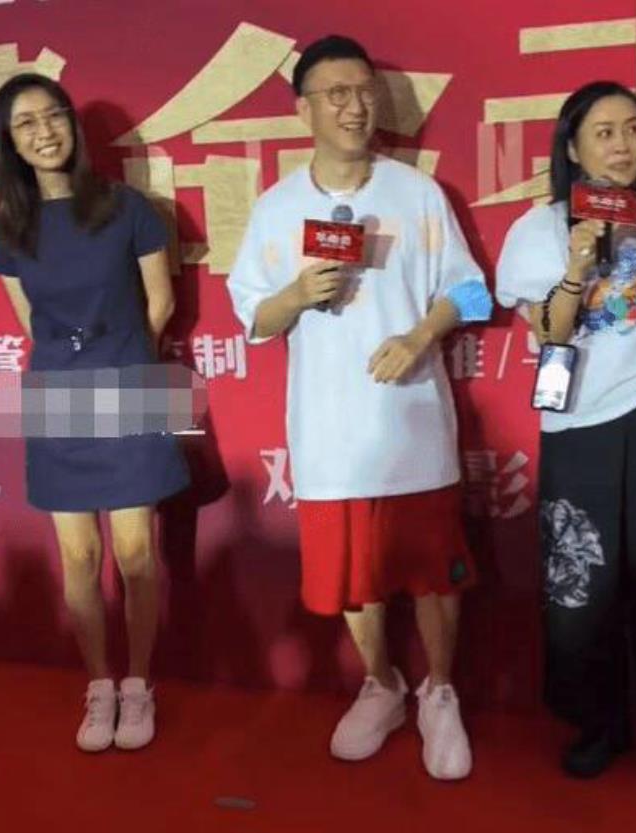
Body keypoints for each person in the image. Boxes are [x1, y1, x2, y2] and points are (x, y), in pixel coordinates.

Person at [227, 35, 491, 779]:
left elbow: (469, 289)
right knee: (352, 579)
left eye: (364, 91)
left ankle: (441, 692)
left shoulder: (417, 192)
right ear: (303, 110)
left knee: (435, 573)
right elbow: (254, 317)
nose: (354, 106)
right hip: (329, 432)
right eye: (336, 93)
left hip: (413, 421)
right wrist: (295, 294)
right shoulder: (277, 208)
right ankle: (383, 685)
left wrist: (418, 336)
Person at [0, 74, 190, 752]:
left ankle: (138, 683)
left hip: (128, 381)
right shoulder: (11, 228)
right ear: (10, 143)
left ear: (72, 124)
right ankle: (99, 684)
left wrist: (122, 365)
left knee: (135, 551)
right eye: (26, 124)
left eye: (54, 116)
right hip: (58, 394)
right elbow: (30, 322)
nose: (44, 132)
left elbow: (160, 304)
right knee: (79, 555)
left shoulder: (126, 207)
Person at [496, 80, 636, 777]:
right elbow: (550, 332)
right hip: (580, 420)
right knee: (580, 582)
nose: (622, 145)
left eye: (633, 129)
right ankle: (598, 722)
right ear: (571, 147)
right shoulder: (537, 230)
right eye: (604, 132)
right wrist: (576, 268)